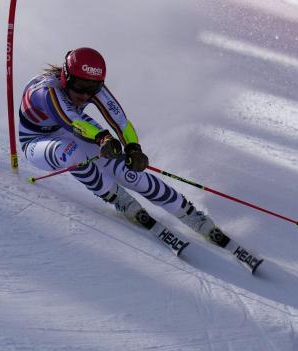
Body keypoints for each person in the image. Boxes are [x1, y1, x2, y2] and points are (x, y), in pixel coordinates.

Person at [19, 47, 226, 245]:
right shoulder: (46, 91)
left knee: (126, 170)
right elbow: (72, 121)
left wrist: (133, 148)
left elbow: (121, 122)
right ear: (66, 78)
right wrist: (103, 139)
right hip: (37, 139)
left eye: (92, 89)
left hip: (75, 129)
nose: (84, 95)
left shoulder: (91, 87)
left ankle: (188, 212)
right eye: (79, 87)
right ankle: (118, 198)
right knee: (73, 154)